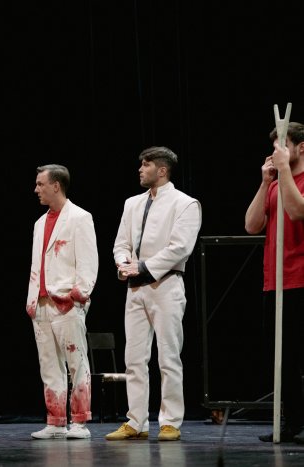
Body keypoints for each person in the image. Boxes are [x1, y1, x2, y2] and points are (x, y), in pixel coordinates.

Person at [105, 146, 201, 442]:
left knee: (168, 356)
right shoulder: (132, 203)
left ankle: (170, 421)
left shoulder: (185, 203)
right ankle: (136, 421)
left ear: (162, 170)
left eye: (146, 165)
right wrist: (123, 263)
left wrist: (143, 266)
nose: (140, 169)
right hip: (135, 288)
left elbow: (180, 247)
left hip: (166, 285)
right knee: (134, 358)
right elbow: (121, 243)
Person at [26, 164, 99, 440]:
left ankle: (80, 422)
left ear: (56, 186)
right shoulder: (39, 223)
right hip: (41, 302)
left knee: (76, 361)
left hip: (66, 300)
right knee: (49, 365)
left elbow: (88, 261)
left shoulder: (80, 217)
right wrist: (32, 298)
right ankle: (56, 422)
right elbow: (37, 264)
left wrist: (78, 294)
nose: (36, 189)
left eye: (40, 184)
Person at [245, 122, 304, 443]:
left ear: (301, 148)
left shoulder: (298, 182)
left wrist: (283, 173)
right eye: (274, 147)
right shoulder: (274, 184)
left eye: (282, 145)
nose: (275, 152)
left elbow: (296, 211)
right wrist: (265, 182)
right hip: (276, 280)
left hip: (301, 277)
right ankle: (293, 422)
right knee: (284, 359)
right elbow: (252, 224)